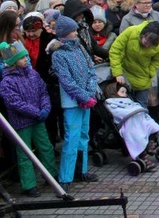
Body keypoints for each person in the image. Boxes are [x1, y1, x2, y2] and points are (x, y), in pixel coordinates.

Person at [0, 41, 57, 197]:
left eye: (26, 55)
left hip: (38, 119)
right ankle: (29, 184)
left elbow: (43, 92)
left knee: (45, 146)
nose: (26, 59)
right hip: (22, 123)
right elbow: (14, 102)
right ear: (12, 62)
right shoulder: (7, 82)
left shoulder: (33, 74)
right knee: (25, 153)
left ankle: (50, 174)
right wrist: (35, 112)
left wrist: (45, 108)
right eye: (22, 57)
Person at [49, 15, 98, 193]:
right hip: (72, 103)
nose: (76, 33)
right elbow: (67, 81)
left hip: (86, 100)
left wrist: (90, 93)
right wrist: (84, 96)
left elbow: (92, 70)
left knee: (83, 136)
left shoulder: (80, 49)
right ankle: (65, 177)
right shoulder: (58, 55)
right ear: (64, 33)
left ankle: (81, 170)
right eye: (73, 31)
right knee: (71, 139)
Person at [109, 21, 159, 109]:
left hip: (143, 76)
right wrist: (118, 73)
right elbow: (115, 50)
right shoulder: (131, 31)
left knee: (142, 107)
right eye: (146, 42)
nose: (147, 46)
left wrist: (150, 72)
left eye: (151, 45)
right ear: (143, 35)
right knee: (125, 107)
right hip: (125, 74)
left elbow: (157, 60)